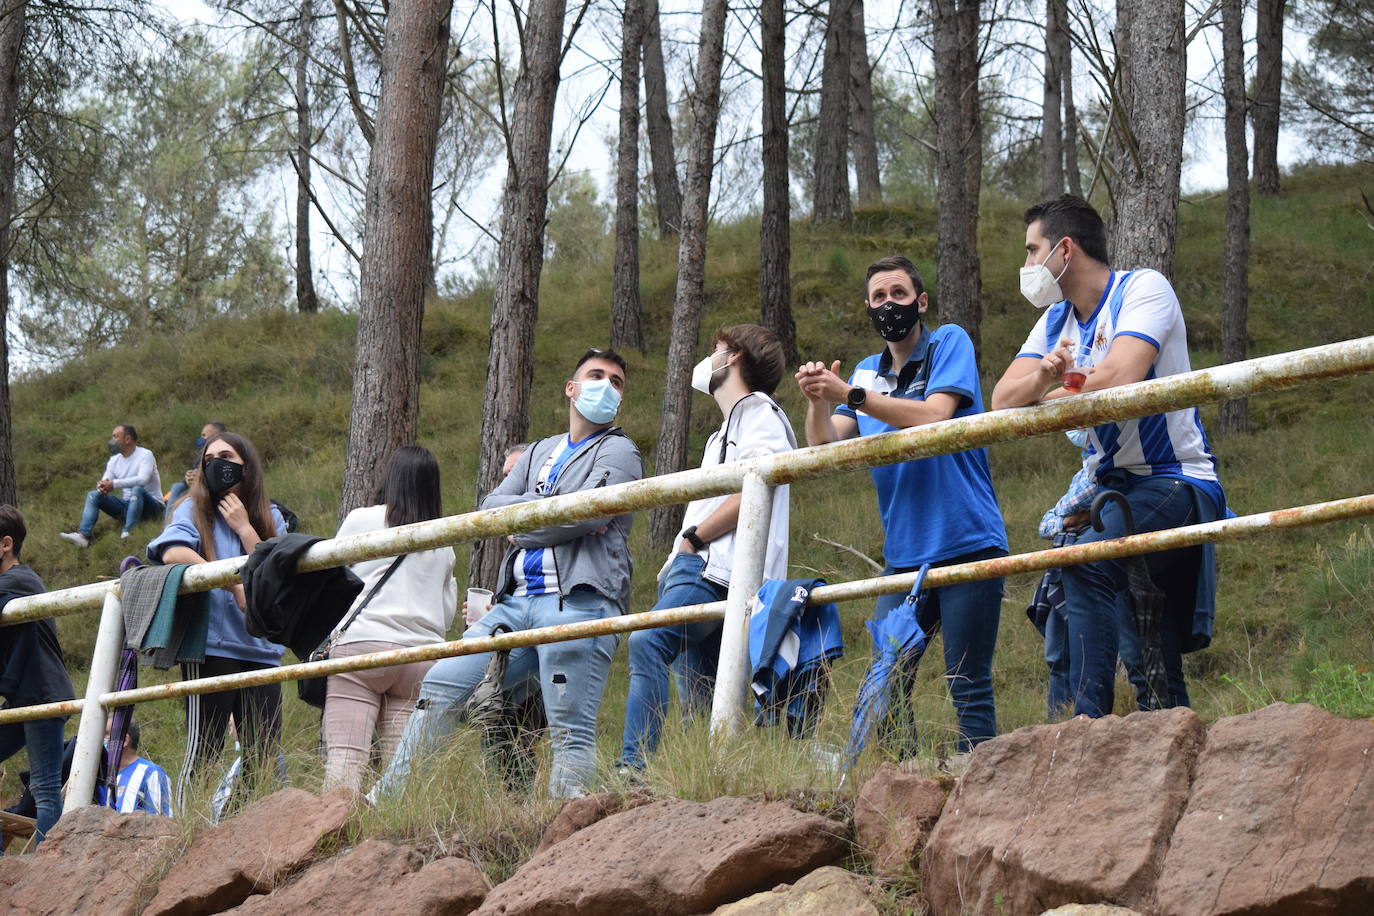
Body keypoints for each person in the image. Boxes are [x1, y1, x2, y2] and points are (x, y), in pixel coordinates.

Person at [991, 193, 1225, 717]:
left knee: (1086, 562)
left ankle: (1086, 725)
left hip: (1174, 479)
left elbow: (1120, 375)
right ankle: (1169, 728)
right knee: (1146, 629)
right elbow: (1003, 399)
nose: (1027, 266)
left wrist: (1048, 391)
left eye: (1032, 251)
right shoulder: (1055, 320)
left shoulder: (1143, 287)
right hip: (1111, 490)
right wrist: (1048, 377)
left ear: (1065, 250)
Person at [373, 347, 643, 799]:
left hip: (579, 602)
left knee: (569, 727)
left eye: (616, 382)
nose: (607, 386)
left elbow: (588, 516)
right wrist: (543, 516)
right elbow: (491, 511)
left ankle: (570, 831)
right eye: (596, 375)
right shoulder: (539, 451)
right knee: (441, 684)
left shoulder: (621, 451)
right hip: (513, 606)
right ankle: (387, 802)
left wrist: (526, 528)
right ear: (571, 389)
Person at [796, 255, 1008, 756]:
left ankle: (982, 781)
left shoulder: (949, 342)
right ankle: (903, 783)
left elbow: (935, 414)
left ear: (921, 301)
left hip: (968, 541)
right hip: (904, 554)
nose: (888, 304)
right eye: (878, 297)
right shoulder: (868, 372)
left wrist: (852, 395)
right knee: (885, 681)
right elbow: (823, 446)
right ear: (867, 308)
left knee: (966, 678)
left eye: (898, 294)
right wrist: (818, 400)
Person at [617, 325, 796, 772]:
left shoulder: (761, 413)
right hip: (703, 569)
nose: (707, 358)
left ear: (733, 357)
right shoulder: (723, 431)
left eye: (714, 349)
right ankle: (709, 781)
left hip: (715, 572)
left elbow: (758, 491)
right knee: (706, 702)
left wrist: (693, 539)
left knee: (648, 644)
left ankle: (631, 769)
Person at [147, 431, 288, 809]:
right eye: (209, 460)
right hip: (209, 648)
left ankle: (235, 833)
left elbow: (276, 571)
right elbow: (172, 552)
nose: (217, 465)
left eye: (226, 455)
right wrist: (230, 583)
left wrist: (244, 528)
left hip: (261, 651)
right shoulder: (191, 510)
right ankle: (184, 834)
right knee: (204, 752)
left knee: (262, 758)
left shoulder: (272, 516)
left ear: (246, 463)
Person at [322, 445, 457, 792]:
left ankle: (334, 838)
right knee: (400, 773)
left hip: (361, 651)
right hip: (419, 660)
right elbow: (446, 614)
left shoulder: (362, 520)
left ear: (390, 478)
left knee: (346, 760)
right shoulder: (444, 541)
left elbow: (330, 580)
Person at [0, 505, 73, 849]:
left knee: (44, 786)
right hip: (23, 697)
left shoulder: (20, 580)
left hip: (45, 694)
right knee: (44, 786)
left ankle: (46, 868)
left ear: (5, 545)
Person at [60, 424, 164, 546]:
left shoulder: (145, 455)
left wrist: (113, 484)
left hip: (152, 507)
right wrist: (102, 487)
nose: (112, 441)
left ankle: (128, 531)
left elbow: (143, 480)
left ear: (127, 439)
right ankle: (83, 536)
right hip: (128, 506)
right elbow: (106, 480)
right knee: (94, 495)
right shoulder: (114, 460)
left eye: (115, 437)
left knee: (137, 489)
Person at [95, 720, 173, 816]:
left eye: (106, 734)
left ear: (124, 741)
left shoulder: (151, 772)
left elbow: (162, 821)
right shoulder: (100, 777)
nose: (100, 739)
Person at [166, 421, 227, 511]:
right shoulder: (200, 457)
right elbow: (191, 475)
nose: (201, 439)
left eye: (204, 435)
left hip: (213, 491)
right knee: (177, 486)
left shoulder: (226, 456)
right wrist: (188, 478)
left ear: (216, 437)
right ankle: (168, 522)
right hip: (197, 488)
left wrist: (200, 478)